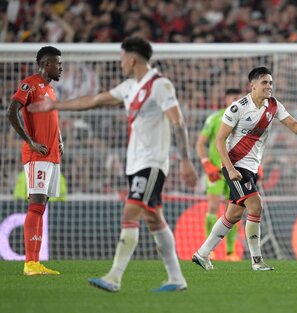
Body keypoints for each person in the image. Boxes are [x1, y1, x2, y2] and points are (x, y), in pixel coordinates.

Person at [29, 36, 198, 292]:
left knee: (131, 211)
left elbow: (178, 122)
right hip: (135, 163)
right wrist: (55, 104)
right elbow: (93, 100)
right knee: (154, 218)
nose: (120, 63)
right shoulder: (129, 87)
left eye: (121, 58)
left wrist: (185, 160)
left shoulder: (160, 85)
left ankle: (114, 277)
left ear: (131, 59)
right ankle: (176, 278)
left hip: (152, 163)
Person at [192, 66, 297, 271]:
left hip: (252, 168)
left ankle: (202, 254)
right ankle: (256, 261)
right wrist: (230, 169)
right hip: (235, 165)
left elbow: (296, 130)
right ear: (252, 85)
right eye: (264, 83)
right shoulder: (238, 108)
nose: (269, 87)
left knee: (233, 215)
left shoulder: (274, 106)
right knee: (256, 205)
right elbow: (219, 141)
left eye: (271, 83)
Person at [7, 46, 64, 276]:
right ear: (46, 63)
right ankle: (29, 263)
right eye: (58, 63)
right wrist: (29, 141)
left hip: (51, 155)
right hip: (37, 154)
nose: (61, 67)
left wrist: (59, 137)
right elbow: (12, 112)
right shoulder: (29, 84)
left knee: (41, 208)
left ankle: (36, 262)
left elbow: (51, 118)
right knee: (36, 205)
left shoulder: (50, 90)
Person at [196, 88, 243, 262]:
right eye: (232, 97)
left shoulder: (246, 120)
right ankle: (208, 250)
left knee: (234, 211)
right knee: (213, 208)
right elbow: (200, 144)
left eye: (238, 98)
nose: (235, 100)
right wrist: (206, 163)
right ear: (225, 100)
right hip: (216, 171)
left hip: (236, 171)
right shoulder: (215, 118)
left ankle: (231, 252)